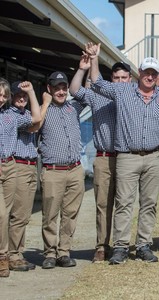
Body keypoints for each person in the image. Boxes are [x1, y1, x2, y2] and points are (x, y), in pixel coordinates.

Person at [86, 42, 159, 264]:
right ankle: (120, 247)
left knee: (149, 203)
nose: (149, 76)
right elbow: (97, 83)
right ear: (139, 73)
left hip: (154, 157)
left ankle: (144, 245)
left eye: (153, 73)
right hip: (127, 156)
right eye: (146, 72)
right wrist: (93, 59)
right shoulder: (123, 90)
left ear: (157, 76)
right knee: (124, 202)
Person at [70, 56, 132, 263]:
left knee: (124, 204)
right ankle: (102, 246)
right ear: (110, 79)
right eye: (116, 77)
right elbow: (75, 91)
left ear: (130, 79)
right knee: (103, 204)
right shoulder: (98, 97)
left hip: (126, 158)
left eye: (124, 77)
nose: (120, 81)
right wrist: (83, 69)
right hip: (104, 158)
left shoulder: (134, 98)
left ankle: (121, 246)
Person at [38, 71, 86, 269]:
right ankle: (49, 253)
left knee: (70, 213)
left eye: (63, 87)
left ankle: (64, 252)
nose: (61, 91)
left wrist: (84, 67)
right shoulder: (43, 110)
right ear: (49, 89)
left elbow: (85, 92)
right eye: (56, 87)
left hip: (74, 169)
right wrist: (45, 103)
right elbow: (35, 124)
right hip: (52, 171)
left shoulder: (74, 107)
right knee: (50, 214)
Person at [0, 78, 41, 277]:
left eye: (25, 95)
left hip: (20, 165)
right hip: (16, 164)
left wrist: (32, 92)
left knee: (17, 215)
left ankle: (13, 254)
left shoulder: (14, 116)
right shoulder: (11, 114)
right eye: (18, 94)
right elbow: (36, 122)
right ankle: (9, 255)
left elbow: (35, 119)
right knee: (9, 215)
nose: (21, 98)